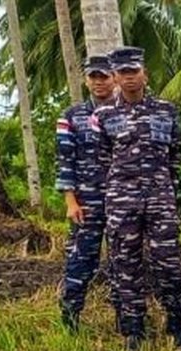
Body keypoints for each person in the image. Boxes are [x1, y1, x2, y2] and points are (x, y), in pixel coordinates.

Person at [91, 46, 181, 351]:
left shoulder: (166, 110)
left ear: (144, 73)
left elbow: (175, 155)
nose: (129, 78)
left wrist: (167, 191)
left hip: (160, 198)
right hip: (121, 201)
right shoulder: (103, 115)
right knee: (125, 263)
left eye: (134, 71)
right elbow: (101, 160)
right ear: (115, 77)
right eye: (123, 73)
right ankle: (134, 329)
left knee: (169, 263)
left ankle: (177, 323)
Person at [56, 55, 117, 332]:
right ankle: (70, 320)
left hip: (121, 200)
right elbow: (65, 160)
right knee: (80, 261)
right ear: (86, 80)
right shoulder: (72, 116)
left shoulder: (125, 113)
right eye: (93, 77)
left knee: (123, 263)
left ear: (113, 78)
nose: (98, 82)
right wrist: (70, 201)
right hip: (86, 202)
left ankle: (125, 321)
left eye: (103, 76)